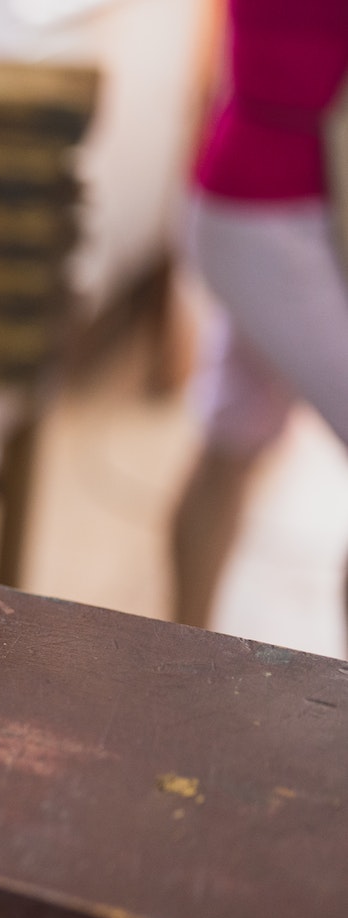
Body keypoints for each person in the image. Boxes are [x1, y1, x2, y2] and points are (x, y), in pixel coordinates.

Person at [172, 0, 348, 628]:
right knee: (231, 439)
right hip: (277, 214)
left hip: (245, 194)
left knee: (232, 434)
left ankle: (178, 664)